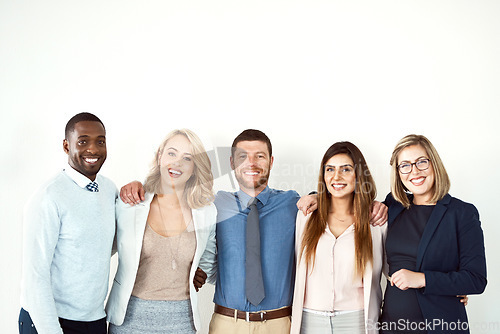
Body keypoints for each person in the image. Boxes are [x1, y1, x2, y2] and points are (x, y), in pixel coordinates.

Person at [120, 129, 388, 334]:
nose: (252, 162)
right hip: (227, 323)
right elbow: (174, 191)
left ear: (271, 161)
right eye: (243, 156)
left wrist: (369, 204)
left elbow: (333, 200)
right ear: (231, 162)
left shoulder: (294, 205)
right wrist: (141, 185)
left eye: (260, 155)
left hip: (279, 324)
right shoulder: (212, 204)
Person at [106, 129, 217, 334]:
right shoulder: (131, 203)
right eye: (171, 153)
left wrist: (199, 272)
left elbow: (208, 262)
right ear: (160, 157)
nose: (176, 163)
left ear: (195, 168)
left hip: (182, 323)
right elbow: (101, 250)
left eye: (187, 158)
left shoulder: (206, 212)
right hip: (129, 321)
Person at [19, 113, 117, 334]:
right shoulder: (48, 196)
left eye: (100, 141)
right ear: (66, 146)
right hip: (49, 320)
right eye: (83, 141)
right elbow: (36, 276)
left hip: (94, 319)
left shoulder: (109, 190)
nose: (93, 149)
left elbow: (107, 243)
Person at [378, 134, 487, 334]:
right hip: (392, 326)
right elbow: (349, 208)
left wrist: (422, 279)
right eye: (405, 165)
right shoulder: (393, 206)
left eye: (421, 162)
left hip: (442, 326)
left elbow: (475, 279)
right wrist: (316, 198)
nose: (414, 171)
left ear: (434, 164)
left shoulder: (462, 213)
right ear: (398, 173)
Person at [291, 141, 386, 334]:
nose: (336, 176)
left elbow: (396, 270)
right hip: (310, 321)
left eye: (346, 169)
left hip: (357, 321)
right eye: (330, 169)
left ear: (359, 175)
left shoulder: (376, 221)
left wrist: (446, 287)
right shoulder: (306, 217)